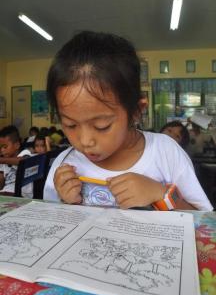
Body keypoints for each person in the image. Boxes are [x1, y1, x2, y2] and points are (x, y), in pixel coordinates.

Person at [44, 31, 213, 211]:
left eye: (102, 126)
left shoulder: (166, 152)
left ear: (135, 111)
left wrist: (160, 194)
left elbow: (204, 224)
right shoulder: (65, 164)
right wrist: (66, 203)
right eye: (70, 125)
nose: (85, 141)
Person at [0, 125, 32, 195]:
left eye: (5, 147)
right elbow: (1, 185)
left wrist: (2, 160)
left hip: (22, 194)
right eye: (0, 147)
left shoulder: (25, 153)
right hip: (6, 192)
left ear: (17, 145)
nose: (2, 150)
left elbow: (23, 161)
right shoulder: (3, 160)